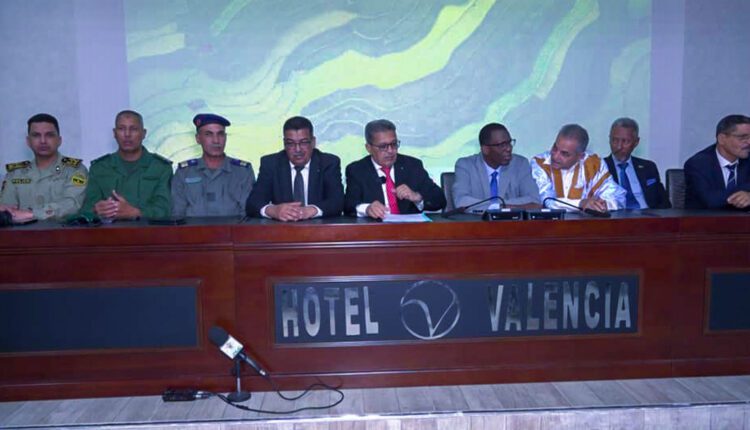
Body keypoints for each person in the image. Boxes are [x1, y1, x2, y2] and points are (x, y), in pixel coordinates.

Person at [245, 116, 343, 221]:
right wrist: (274, 211)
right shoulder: (271, 164)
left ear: (313, 142)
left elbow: (337, 202)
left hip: (319, 228)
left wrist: (312, 210)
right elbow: (253, 203)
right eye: (291, 143)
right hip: (282, 228)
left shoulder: (328, 163)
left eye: (303, 142)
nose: (297, 149)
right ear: (284, 143)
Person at [80, 110, 172, 220]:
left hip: (147, 229)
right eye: (121, 129)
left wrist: (136, 213)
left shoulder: (161, 167)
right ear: (114, 133)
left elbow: (165, 209)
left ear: (143, 133)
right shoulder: (99, 168)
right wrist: (96, 209)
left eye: (133, 129)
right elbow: (85, 210)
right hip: (108, 230)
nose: (127, 134)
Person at [344, 119, 446, 219]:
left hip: (410, 228)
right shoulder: (357, 170)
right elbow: (348, 205)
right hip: (375, 228)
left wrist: (417, 197)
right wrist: (367, 208)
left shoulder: (412, 165)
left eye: (394, 144)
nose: (390, 151)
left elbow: (440, 200)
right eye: (383, 146)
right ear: (368, 148)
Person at [0, 113, 88, 221]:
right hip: (22, 231)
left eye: (49, 135)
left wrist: (32, 214)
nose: (43, 141)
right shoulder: (15, 174)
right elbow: (7, 209)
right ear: (28, 141)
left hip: (62, 230)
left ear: (59, 140)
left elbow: (72, 205)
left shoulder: (75, 170)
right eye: (36, 135)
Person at [171, 114, 255, 217]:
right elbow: (178, 214)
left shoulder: (243, 172)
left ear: (225, 137)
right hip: (193, 228)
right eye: (208, 134)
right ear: (198, 139)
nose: (216, 141)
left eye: (220, 134)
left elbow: (248, 215)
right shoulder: (184, 172)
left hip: (232, 228)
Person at [531, 124, 625, 212]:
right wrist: (581, 204)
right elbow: (546, 200)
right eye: (555, 148)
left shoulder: (594, 164)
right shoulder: (540, 163)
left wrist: (603, 204)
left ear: (581, 156)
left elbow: (618, 196)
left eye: (564, 154)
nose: (555, 156)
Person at [452, 122, 540, 211]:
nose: (509, 148)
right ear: (485, 149)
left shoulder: (520, 164)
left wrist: (496, 206)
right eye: (502, 145)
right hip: (477, 220)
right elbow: (461, 201)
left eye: (509, 142)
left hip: (511, 220)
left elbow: (534, 200)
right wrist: (500, 207)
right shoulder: (466, 166)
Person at [684, 114, 750, 210]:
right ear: (722, 139)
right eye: (743, 138)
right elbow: (711, 200)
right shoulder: (698, 164)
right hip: (706, 218)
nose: (749, 142)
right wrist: (744, 194)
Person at [603, 117, 670, 209]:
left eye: (625, 141)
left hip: (648, 215)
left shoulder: (649, 167)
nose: (619, 146)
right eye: (615, 140)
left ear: (636, 142)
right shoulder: (600, 168)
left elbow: (664, 203)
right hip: (616, 216)